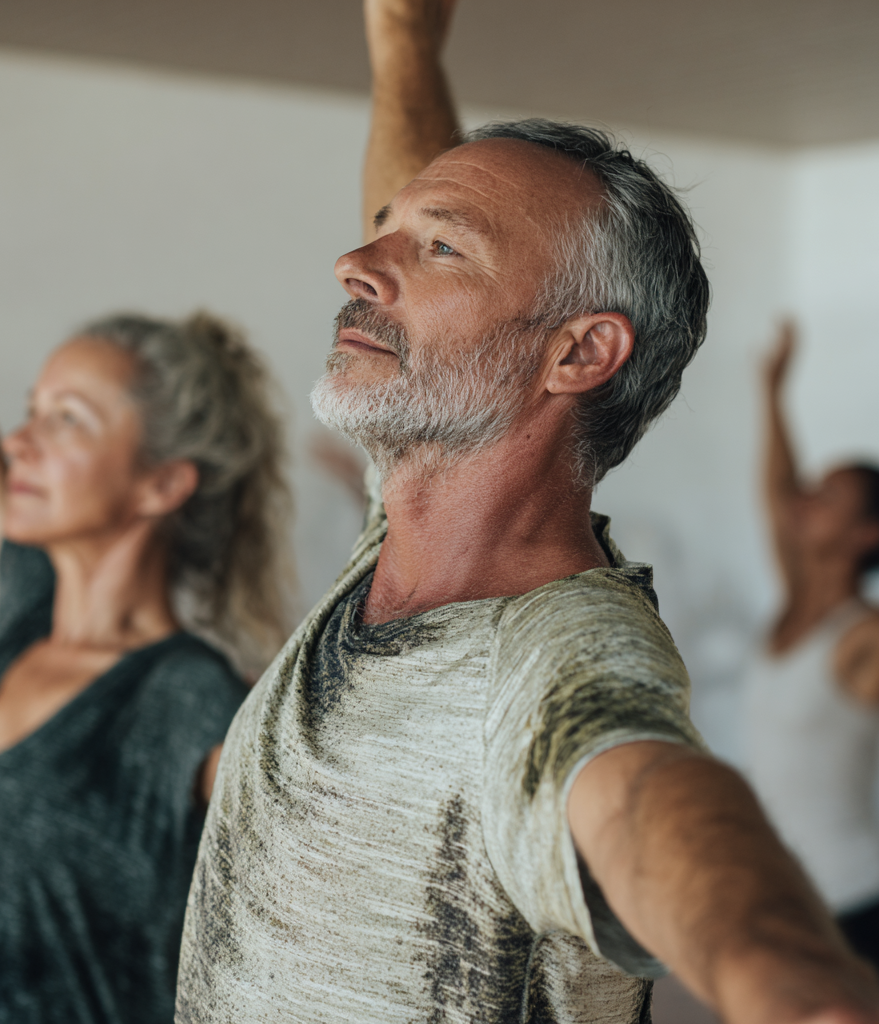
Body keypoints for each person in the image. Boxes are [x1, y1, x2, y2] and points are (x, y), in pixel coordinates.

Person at [174, 2, 879, 1022]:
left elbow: (639, 790)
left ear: (579, 354)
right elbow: (408, 212)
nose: (357, 264)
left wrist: (787, 982)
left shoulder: (555, 652)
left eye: (442, 249)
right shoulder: (410, 534)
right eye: (385, 233)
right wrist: (402, 41)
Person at [0, 35, 292, 1024]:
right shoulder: (26, 613)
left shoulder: (190, 696)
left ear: (160, 484)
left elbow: (306, 886)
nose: (21, 440)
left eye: (69, 421)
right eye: (34, 408)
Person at [745, 322, 879, 970]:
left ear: (864, 534)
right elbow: (776, 494)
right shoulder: (795, 601)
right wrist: (773, 392)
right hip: (783, 899)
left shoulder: (864, 637)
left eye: (828, 495)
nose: (806, 494)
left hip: (851, 903)